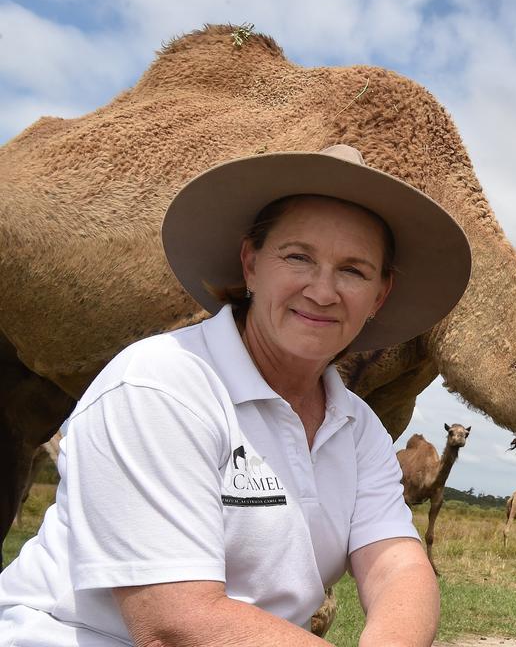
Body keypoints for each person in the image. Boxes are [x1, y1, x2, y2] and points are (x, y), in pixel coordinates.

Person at [0, 145, 471, 646]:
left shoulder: (357, 428)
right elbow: (172, 623)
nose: (322, 290)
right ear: (251, 264)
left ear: (379, 295)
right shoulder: (161, 386)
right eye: (298, 257)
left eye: (353, 270)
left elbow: (397, 563)